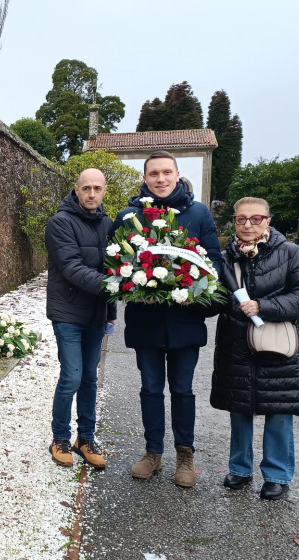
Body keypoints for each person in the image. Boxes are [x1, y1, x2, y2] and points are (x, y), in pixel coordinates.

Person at [112, 150, 223, 487]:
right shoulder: (129, 216)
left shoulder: (198, 213)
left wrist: (194, 291)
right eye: (153, 173)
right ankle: (152, 453)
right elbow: (115, 263)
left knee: (183, 390)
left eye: (166, 173)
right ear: (144, 179)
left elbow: (213, 263)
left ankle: (185, 456)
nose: (160, 179)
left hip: (185, 321)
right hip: (146, 321)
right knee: (149, 389)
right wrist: (133, 282)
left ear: (177, 175)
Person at [210, 197, 299, 500]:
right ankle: (240, 469)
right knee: (239, 409)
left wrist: (264, 306)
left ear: (267, 221)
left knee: (279, 410)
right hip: (237, 344)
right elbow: (216, 298)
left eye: (256, 218)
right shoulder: (224, 259)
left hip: (278, 344)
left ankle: (276, 474)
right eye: (241, 219)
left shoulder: (290, 253)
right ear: (234, 221)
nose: (248, 225)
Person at [45, 168, 116, 469]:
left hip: (96, 314)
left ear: (104, 191)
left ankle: (85, 438)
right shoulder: (60, 223)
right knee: (72, 375)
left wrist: (111, 310)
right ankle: (60, 436)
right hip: (68, 313)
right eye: (85, 188)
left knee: (89, 377)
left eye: (96, 188)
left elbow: (115, 265)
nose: (91, 194)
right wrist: (114, 286)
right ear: (76, 189)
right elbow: (71, 267)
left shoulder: (109, 224)